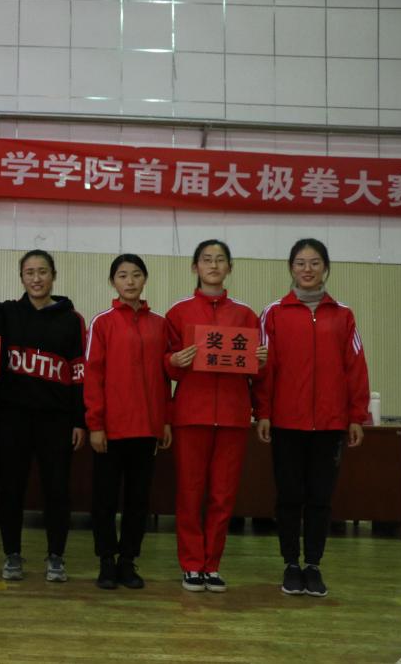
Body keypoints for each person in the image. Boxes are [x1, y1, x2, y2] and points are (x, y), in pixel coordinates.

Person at [255, 238, 369, 598]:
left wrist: (356, 415)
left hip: (331, 424)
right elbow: (265, 369)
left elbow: (356, 367)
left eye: (315, 263)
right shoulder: (273, 313)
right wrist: (263, 412)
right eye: (301, 263)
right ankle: (291, 564)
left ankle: (314, 565)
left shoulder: (343, 315)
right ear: (291, 268)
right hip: (286, 423)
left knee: (321, 497)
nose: (307, 269)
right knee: (289, 496)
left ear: (326, 268)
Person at [166, 240, 267, 592]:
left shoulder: (246, 315)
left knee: (223, 496)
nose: (213, 265)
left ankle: (212, 564)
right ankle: (192, 564)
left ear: (229, 267)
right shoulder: (178, 312)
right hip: (190, 415)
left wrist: (260, 361)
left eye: (220, 259)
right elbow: (165, 364)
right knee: (190, 493)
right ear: (195, 267)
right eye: (206, 259)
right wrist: (172, 361)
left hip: (232, 416)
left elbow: (258, 371)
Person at [0, 250, 87, 583]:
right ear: (21, 278)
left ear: (53, 276)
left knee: (57, 490)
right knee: (11, 489)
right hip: (12, 418)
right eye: (29, 272)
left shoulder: (71, 319)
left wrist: (79, 420)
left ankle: (56, 556)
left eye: (42, 271)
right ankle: (12, 554)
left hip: (56, 420)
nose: (36, 278)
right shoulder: (6, 313)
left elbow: (79, 373)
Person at [85, 253, 172, 590]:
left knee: (138, 501)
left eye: (136, 274)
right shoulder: (102, 323)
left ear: (145, 279)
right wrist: (95, 424)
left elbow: (165, 378)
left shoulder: (160, 324)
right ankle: (106, 561)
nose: (130, 281)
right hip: (110, 429)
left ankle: (128, 561)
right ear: (113, 282)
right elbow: (93, 377)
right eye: (122, 275)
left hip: (147, 429)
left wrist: (165, 421)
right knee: (105, 500)